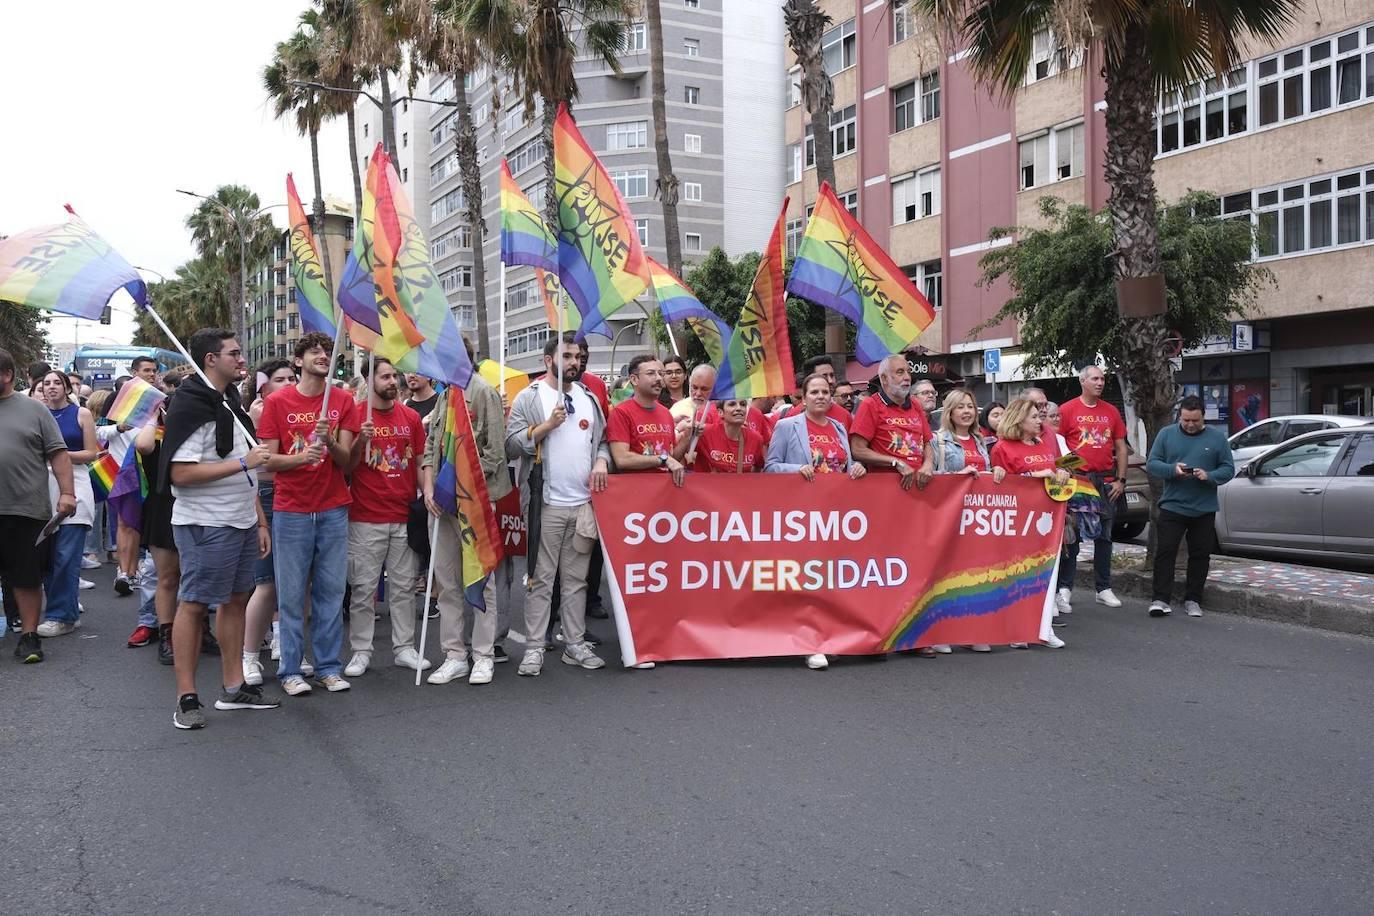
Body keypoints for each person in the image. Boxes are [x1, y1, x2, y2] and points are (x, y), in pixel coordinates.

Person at [161, 329, 278, 729]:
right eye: (234, 353)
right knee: (193, 604)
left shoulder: (227, 399)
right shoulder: (191, 404)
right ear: (211, 359)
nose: (241, 359)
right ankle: (186, 698)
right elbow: (180, 474)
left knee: (236, 599)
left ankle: (234, 686)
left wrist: (259, 520)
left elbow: (245, 460)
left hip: (241, 520)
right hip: (205, 524)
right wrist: (245, 464)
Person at [258, 332, 361, 696]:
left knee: (331, 593)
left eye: (328, 352)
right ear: (298, 361)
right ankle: (290, 670)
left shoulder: (345, 400)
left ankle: (328, 667)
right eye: (315, 352)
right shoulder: (277, 402)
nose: (323, 356)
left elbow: (348, 463)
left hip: (333, 508)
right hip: (292, 510)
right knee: (290, 594)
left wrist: (330, 440)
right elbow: (265, 464)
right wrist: (302, 458)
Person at [506, 335, 611, 675]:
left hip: (583, 505)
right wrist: (545, 427)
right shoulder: (530, 397)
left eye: (578, 357)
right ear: (547, 359)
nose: (574, 362)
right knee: (540, 578)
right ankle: (535, 647)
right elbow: (510, 446)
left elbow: (603, 442)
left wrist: (600, 462)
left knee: (577, 580)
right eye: (566, 356)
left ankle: (575, 644)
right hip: (545, 504)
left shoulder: (589, 398)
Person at [421, 342, 510, 685]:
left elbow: (494, 452)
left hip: (473, 501)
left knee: (481, 578)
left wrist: (459, 483)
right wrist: (430, 486)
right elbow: (432, 446)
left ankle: (484, 655)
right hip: (441, 504)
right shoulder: (445, 396)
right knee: (446, 581)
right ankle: (454, 654)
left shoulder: (483, 392)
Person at [766, 372, 866, 670]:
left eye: (825, 392)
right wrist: (796, 470)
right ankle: (808, 642)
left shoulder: (838, 427)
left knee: (832, 579)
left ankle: (828, 636)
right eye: (815, 392)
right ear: (803, 397)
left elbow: (846, 465)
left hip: (835, 517)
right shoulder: (786, 427)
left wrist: (857, 467)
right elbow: (770, 467)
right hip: (802, 516)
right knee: (807, 579)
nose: (821, 397)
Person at [340, 357, 429, 679]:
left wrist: (427, 494)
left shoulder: (410, 417)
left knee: (404, 587)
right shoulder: (355, 414)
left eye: (395, 375)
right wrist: (361, 439)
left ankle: (404, 647)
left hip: (404, 515)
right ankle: (361, 651)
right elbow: (346, 467)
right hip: (365, 517)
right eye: (386, 376)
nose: (394, 381)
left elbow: (420, 462)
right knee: (363, 590)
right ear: (369, 379)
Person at [0, 349, 76, 663]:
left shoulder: (34, 409)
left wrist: (67, 494)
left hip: (24, 507)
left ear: (6, 375)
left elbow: (58, 454)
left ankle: (29, 636)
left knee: (26, 575)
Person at [1145, 395, 1235, 618]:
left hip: (1203, 508)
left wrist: (1209, 475)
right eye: (1185, 420)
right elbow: (1152, 463)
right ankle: (1160, 599)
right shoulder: (1166, 434)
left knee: (1200, 554)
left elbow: (1228, 469)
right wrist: (1172, 470)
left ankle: (1193, 599)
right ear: (1180, 416)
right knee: (1165, 551)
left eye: (1195, 420)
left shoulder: (1216, 438)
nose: (1190, 425)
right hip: (1172, 505)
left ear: (1203, 416)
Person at [990, 397, 1068, 650]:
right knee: (1016, 576)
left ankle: (1044, 628)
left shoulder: (1042, 445)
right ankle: (1016, 628)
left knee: (1043, 575)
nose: (1039, 421)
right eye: (1034, 417)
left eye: (1039, 416)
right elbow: (999, 485)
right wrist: (1032, 476)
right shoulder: (1002, 448)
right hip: (1017, 521)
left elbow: (1052, 476)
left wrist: (1060, 474)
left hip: (1045, 521)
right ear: (1019, 419)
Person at [933, 388, 1006, 654]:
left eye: (970, 406)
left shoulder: (979, 440)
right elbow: (931, 479)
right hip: (949, 517)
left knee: (973, 575)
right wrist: (957, 476)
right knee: (945, 574)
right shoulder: (937, 441)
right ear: (950, 411)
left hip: (976, 519)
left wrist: (995, 470)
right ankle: (939, 632)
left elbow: (987, 474)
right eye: (960, 406)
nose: (966, 411)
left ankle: (970, 630)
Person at [240, 359, 296, 683]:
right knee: (266, 582)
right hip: (264, 496)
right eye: (279, 379)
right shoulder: (247, 418)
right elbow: (256, 465)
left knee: (295, 581)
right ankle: (249, 656)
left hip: (297, 498)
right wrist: (260, 423)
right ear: (263, 386)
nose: (288, 383)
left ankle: (285, 641)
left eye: (292, 377)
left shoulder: (300, 411)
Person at [1058, 366, 1129, 610]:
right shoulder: (1067, 409)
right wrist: (1070, 470)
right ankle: (1065, 588)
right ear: (1083, 381)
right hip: (1077, 480)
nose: (1100, 383)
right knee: (1073, 536)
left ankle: (1104, 588)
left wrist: (1121, 480)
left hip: (1106, 481)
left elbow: (1120, 447)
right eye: (1095, 378)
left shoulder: (1111, 411)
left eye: (1102, 379)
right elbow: (1058, 446)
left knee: (1105, 535)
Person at [34, 371, 97, 638]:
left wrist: (59, 454)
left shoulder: (81, 414)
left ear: (66, 386)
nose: (51, 388)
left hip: (76, 486)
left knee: (66, 556)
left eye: (56, 382)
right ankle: (67, 611)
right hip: (39, 489)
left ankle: (60, 615)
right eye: (46, 384)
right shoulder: (35, 413)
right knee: (47, 557)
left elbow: (92, 452)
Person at [133, 396, 180, 662]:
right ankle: (166, 634)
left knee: (194, 579)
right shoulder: (157, 436)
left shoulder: (195, 436)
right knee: (168, 577)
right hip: (162, 511)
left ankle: (200, 629)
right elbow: (143, 445)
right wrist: (153, 415)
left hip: (194, 508)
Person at [850, 354, 935, 492]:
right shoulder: (870, 405)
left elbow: (926, 442)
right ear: (884, 378)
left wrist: (928, 464)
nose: (907, 377)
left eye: (908, 371)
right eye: (900, 372)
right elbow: (858, 450)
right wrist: (895, 462)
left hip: (918, 486)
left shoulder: (915, 404)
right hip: (885, 489)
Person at [772, 356, 852, 430]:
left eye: (832, 375)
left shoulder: (845, 416)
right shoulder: (791, 418)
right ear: (810, 380)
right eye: (824, 376)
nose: (830, 381)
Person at [691, 398, 765, 473]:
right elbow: (686, 456)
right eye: (732, 404)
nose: (739, 408)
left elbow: (758, 467)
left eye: (743, 404)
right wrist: (689, 431)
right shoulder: (704, 432)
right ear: (720, 412)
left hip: (739, 484)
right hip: (706, 483)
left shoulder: (756, 439)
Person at [575, 340, 612, 419]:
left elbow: (604, 421)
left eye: (586, 349)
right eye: (578, 349)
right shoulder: (542, 385)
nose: (584, 353)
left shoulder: (598, 384)